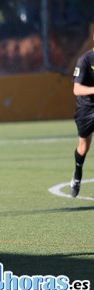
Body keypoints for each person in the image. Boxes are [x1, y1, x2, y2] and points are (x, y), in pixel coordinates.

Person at [70, 33, 94, 197]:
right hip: (86, 108)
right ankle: (77, 173)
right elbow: (76, 90)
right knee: (84, 147)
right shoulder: (85, 60)